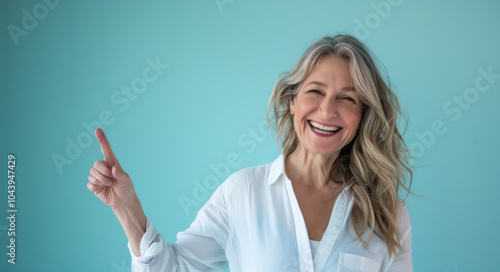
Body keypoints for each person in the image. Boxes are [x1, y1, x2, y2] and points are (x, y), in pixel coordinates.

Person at [87, 34, 413, 272]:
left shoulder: (387, 213)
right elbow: (176, 268)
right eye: (315, 91)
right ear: (292, 102)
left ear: (363, 117)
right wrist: (126, 207)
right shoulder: (242, 191)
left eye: (348, 98)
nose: (327, 110)